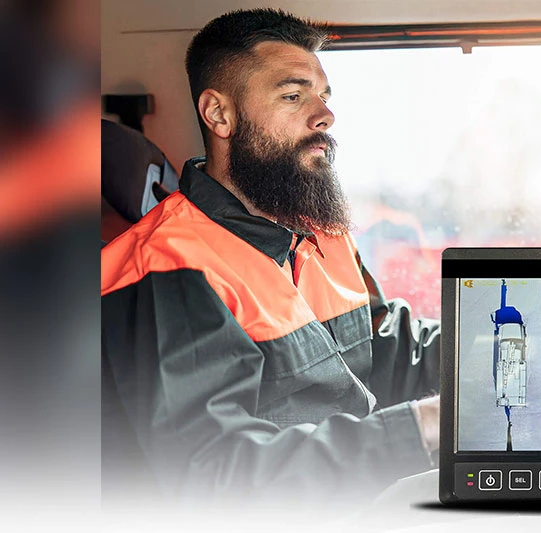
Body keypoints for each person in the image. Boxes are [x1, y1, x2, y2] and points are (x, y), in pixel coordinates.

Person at [100, 8, 440, 503]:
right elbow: (217, 476)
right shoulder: (167, 267)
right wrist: (420, 432)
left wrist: (488, 351)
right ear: (219, 114)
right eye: (292, 95)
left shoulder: (322, 233)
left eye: (323, 96)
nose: (324, 114)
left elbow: (385, 349)